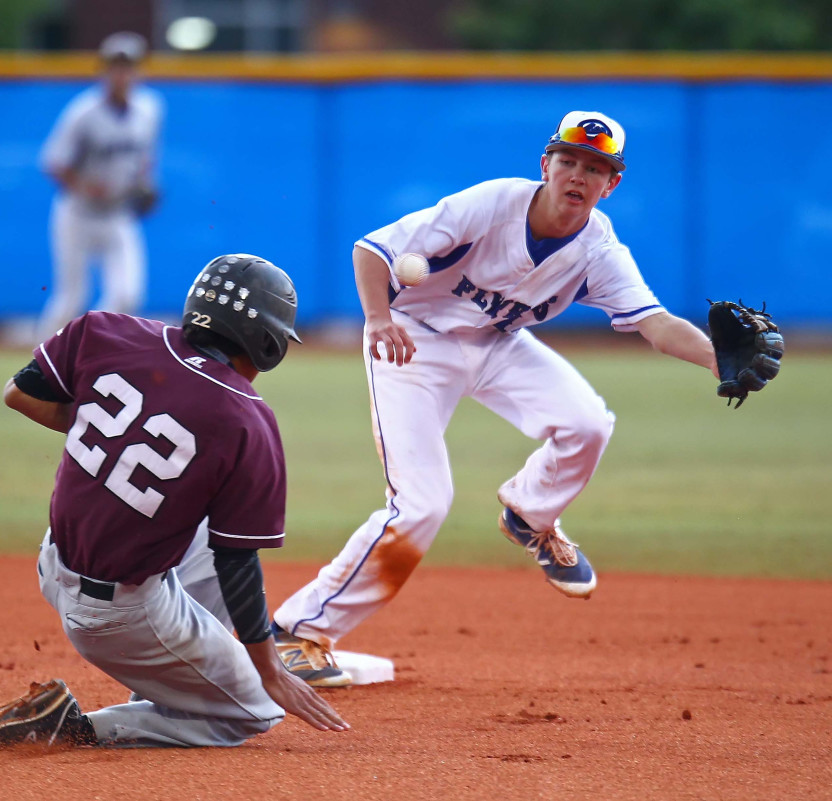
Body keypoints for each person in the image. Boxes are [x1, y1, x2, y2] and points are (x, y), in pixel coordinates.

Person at [269, 111, 720, 687]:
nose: (578, 176)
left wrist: (716, 358)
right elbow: (372, 250)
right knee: (423, 504)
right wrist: (378, 318)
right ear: (546, 165)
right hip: (413, 340)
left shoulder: (599, 249)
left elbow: (655, 324)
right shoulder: (492, 205)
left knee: (587, 423)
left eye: (595, 168)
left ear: (612, 184)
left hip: (498, 343)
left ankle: (531, 515)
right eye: (569, 161)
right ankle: (299, 631)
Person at [0, 254, 349, 747]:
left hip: (54, 562)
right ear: (267, 342)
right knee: (254, 711)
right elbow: (238, 561)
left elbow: (19, 394)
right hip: (119, 616)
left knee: (205, 532)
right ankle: (77, 730)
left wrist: (115, 442)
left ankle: (172, 675)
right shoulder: (246, 419)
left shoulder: (104, 330)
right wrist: (270, 670)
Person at [35, 31, 163, 343]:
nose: (122, 73)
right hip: (77, 213)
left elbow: (144, 157)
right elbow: (53, 162)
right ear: (104, 71)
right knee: (71, 298)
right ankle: (39, 364)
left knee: (128, 294)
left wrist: (145, 186)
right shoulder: (83, 112)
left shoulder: (149, 108)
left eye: (129, 66)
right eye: (116, 66)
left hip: (118, 214)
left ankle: (89, 348)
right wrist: (84, 187)